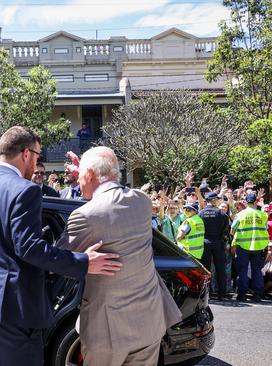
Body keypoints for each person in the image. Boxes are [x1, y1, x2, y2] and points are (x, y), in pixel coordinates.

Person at [0, 126, 121, 366]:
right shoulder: (25, 191)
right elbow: (29, 247)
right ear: (25, 154)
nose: (37, 162)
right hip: (13, 311)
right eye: (37, 156)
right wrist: (84, 263)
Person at [56, 146, 181, 366]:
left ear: (90, 174)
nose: (78, 181)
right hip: (149, 322)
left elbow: (58, 260)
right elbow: (110, 207)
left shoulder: (85, 215)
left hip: (108, 331)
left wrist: (84, 260)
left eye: (80, 176)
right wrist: (86, 169)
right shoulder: (141, 202)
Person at [230, 192, 269, 302]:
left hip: (243, 246)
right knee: (257, 270)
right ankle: (258, 294)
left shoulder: (241, 214)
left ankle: (242, 294)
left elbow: (232, 229)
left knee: (242, 270)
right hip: (258, 246)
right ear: (256, 201)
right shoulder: (262, 215)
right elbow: (265, 228)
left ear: (245, 202)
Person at [199, 192, 230, 300]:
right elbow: (226, 228)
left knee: (206, 269)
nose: (217, 201)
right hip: (218, 242)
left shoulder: (201, 213)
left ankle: (207, 293)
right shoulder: (221, 213)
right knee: (221, 268)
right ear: (212, 200)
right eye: (216, 199)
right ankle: (222, 293)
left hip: (205, 242)